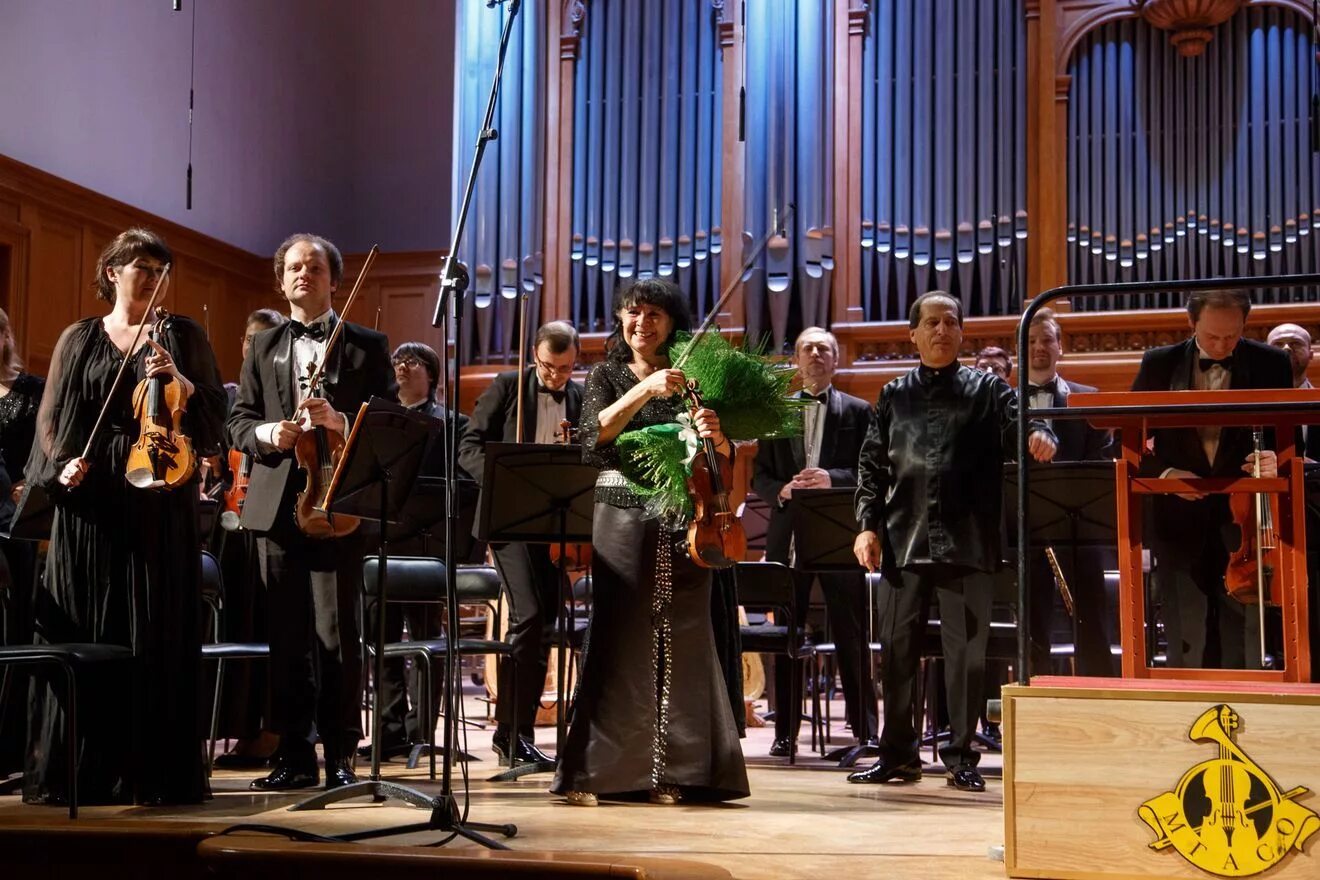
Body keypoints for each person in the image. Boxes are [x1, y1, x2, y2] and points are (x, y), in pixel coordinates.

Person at [22, 228, 227, 805]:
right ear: (111, 271)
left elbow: (213, 419)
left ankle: (152, 773)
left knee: (153, 635)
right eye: (142, 265)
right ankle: (83, 772)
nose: (154, 275)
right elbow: (52, 416)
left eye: (162, 267)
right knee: (89, 631)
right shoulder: (79, 338)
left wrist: (179, 379)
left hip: (159, 506)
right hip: (90, 513)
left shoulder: (182, 335)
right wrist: (61, 466)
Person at [551, 278, 749, 806]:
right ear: (620, 319)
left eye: (656, 314)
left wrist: (718, 434)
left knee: (682, 640)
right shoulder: (607, 374)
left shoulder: (694, 380)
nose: (644, 322)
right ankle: (595, 772)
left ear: (671, 322)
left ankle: (674, 770)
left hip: (685, 519)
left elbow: (720, 464)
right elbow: (593, 440)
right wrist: (646, 388)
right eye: (634, 313)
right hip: (620, 514)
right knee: (621, 635)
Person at [848, 291, 1056, 793]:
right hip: (903, 540)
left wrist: (1041, 433)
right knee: (896, 652)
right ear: (913, 334)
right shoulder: (893, 395)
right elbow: (872, 467)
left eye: (950, 323)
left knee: (967, 657)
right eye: (931, 323)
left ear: (962, 333)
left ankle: (961, 756)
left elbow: (1020, 428)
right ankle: (898, 755)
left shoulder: (989, 389)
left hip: (969, 542)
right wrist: (866, 524)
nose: (941, 331)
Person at [228, 233, 397, 791]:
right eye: (294, 267)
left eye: (315, 267)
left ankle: (343, 752)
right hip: (276, 506)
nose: (304, 274)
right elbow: (239, 420)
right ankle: (293, 754)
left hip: (336, 504)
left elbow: (392, 422)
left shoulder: (367, 345)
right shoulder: (264, 344)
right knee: (286, 636)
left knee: (337, 633)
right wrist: (271, 432)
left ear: (333, 279)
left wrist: (341, 423)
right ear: (281, 280)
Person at [1131, 290, 1291, 669]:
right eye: (1212, 336)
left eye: (1231, 336)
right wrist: (1168, 475)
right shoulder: (1159, 364)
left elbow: (1288, 441)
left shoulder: (1272, 363)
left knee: (1246, 636)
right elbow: (1125, 440)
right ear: (1192, 324)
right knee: (1187, 638)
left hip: (1246, 524)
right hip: (1178, 521)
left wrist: (1274, 460)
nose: (1221, 346)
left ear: (1244, 326)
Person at [458, 321, 582, 766]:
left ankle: (520, 735)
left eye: (565, 370)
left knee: (545, 624)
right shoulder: (508, 385)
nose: (556, 377)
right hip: (509, 518)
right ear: (534, 355)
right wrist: (501, 478)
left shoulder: (580, 396)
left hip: (553, 524)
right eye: (549, 368)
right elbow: (468, 443)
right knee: (528, 617)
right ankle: (509, 733)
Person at [751, 326, 876, 757]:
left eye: (824, 348)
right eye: (808, 348)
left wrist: (831, 478)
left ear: (835, 360)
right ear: (797, 361)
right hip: (788, 536)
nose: (816, 354)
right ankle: (785, 731)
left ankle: (865, 730)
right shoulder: (776, 412)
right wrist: (781, 490)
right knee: (786, 632)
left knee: (851, 632)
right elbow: (760, 476)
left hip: (840, 534)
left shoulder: (859, 412)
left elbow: (873, 473)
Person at [356, 341, 475, 759]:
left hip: (427, 545)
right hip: (380, 541)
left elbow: (463, 483)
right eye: (398, 362)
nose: (402, 368)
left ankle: (421, 730)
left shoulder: (453, 423)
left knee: (427, 640)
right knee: (381, 640)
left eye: (413, 362)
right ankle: (388, 730)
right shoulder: (376, 419)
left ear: (432, 373)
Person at [210, 307, 287, 771]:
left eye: (259, 340)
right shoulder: (227, 397)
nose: (248, 348)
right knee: (237, 624)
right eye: (245, 340)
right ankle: (241, 727)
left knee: (268, 625)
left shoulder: (277, 398)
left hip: (270, 515)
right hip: (231, 519)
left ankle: (271, 731)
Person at [1023, 309, 1115, 677]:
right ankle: (1030, 705)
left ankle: (1100, 702)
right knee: (1031, 627)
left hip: (1079, 531)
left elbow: (1101, 463)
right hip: (1022, 535)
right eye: (1030, 341)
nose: (1039, 347)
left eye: (1046, 339)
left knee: (1092, 625)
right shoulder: (1001, 401)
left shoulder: (1087, 398)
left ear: (1061, 346)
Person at [0, 306, 44, 778]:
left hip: (17, 521)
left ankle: (13, 747)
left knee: (16, 631)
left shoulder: (31, 388)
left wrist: (28, 481)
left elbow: (45, 444)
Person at [1266, 322, 1319, 460]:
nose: (1286, 348)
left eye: (1295, 343)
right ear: (1264, 355)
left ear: (1311, 354)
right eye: (1278, 344)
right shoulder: (1249, 403)